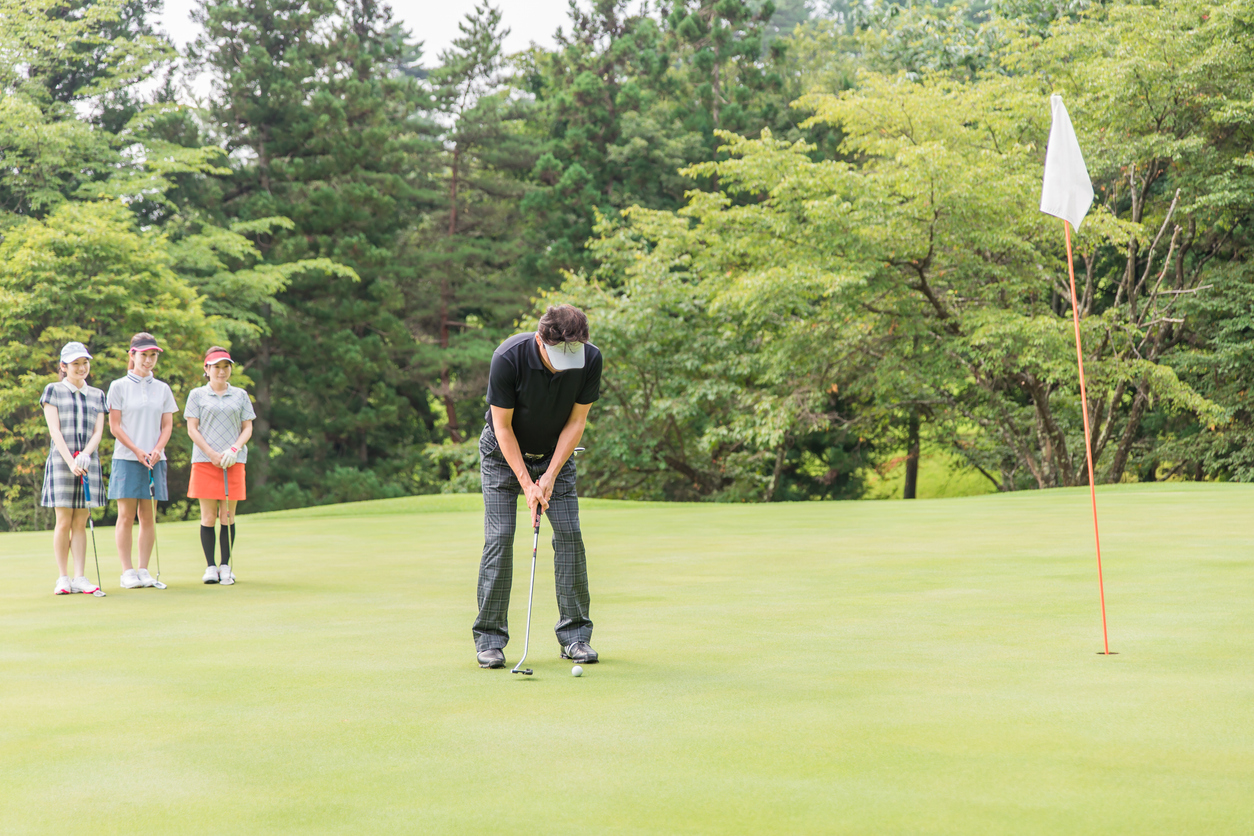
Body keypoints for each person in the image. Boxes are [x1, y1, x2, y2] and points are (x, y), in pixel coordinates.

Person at [473, 304, 602, 669]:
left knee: (569, 534)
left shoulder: (589, 359)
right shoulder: (508, 358)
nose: (566, 360)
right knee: (500, 537)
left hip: (555, 455)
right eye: (558, 353)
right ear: (539, 341)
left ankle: (575, 636)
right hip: (502, 454)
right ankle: (490, 640)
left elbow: (577, 422)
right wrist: (527, 484)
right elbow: (502, 429)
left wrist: (548, 476)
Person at [107, 332, 178, 589]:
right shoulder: (118, 386)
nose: (148, 360)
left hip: (155, 459)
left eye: (153, 356)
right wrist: (137, 450)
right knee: (126, 516)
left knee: (148, 516)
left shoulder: (162, 389)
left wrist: (158, 449)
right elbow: (114, 426)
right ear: (132, 355)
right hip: (127, 458)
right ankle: (127, 571)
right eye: (144, 355)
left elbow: (167, 425)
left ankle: (144, 569)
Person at [39, 342, 107, 596]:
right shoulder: (53, 391)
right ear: (63, 366)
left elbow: (99, 431)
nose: (81, 368)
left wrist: (86, 455)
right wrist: (70, 461)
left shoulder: (98, 394)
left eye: (85, 363)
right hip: (61, 461)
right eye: (75, 363)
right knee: (63, 520)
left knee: (81, 521)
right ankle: (63, 578)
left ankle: (80, 577)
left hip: (88, 462)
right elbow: (54, 430)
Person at [184, 347, 254, 585]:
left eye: (226, 366)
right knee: (208, 516)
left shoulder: (241, 395)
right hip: (205, 460)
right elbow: (192, 429)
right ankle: (210, 567)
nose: (222, 371)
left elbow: (247, 427)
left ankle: (225, 565)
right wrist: (212, 453)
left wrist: (234, 449)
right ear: (207, 369)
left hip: (233, 461)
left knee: (227, 515)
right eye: (216, 367)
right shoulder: (196, 395)